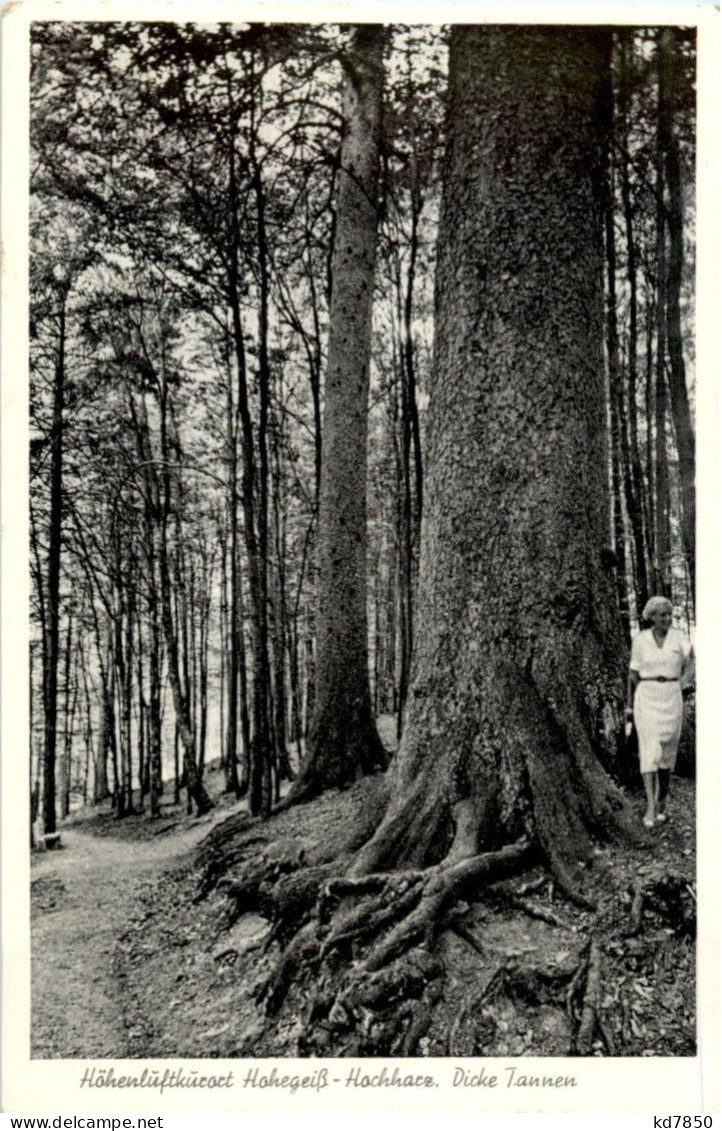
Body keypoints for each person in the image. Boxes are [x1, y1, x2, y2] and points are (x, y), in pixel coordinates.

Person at [626, 596, 693, 828]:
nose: (667, 619)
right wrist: (628, 707)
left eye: (669, 614)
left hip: (672, 697)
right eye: (662, 615)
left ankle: (662, 799)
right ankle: (651, 807)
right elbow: (633, 675)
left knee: (667, 753)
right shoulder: (641, 640)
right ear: (651, 616)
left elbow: (691, 661)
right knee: (650, 748)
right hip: (647, 696)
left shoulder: (679, 638)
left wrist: (683, 681)